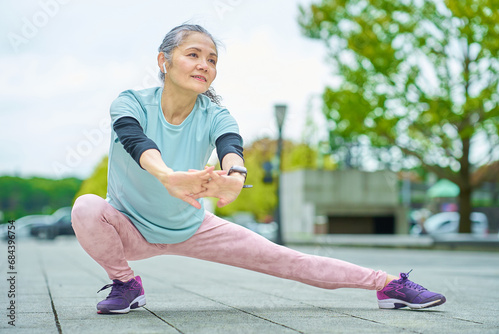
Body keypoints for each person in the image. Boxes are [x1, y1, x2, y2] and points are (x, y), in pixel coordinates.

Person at [71, 24, 446, 314]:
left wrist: (235, 179)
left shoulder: (216, 115)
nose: (204, 64)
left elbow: (232, 151)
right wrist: (169, 177)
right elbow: (137, 143)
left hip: (192, 227)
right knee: (86, 207)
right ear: (163, 61)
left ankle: (389, 285)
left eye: (212, 59)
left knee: (290, 261)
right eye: (193, 54)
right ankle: (126, 285)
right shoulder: (131, 102)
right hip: (129, 227)